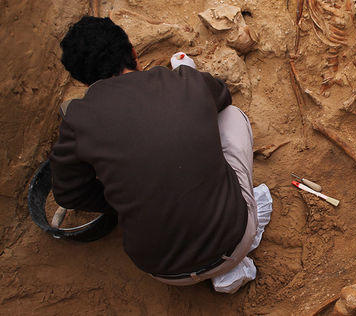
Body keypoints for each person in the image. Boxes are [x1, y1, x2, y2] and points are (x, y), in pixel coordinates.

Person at [51, 16, 271, 292]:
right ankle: (232, 262)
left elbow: (68, 194)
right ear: (132, 52)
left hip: (161, 270)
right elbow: (222, 97)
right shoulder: (183, 80)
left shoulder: (77, 119)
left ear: (82, 79)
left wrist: (123, 195)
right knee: (231, 116)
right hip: (233, 242)